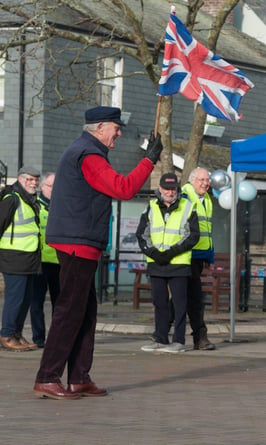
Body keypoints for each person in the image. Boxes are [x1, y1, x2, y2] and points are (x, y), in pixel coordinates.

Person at [34, 106, 163, 400]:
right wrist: (149, 159)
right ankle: (47, 376)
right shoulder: (88, 155)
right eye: (116, 128)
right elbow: (124, 188)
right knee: (69, 311)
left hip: (79, 241)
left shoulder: (84, 151)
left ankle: (79, 377)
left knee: (84, 311)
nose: (119, 133)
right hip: (77, 243)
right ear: (100, 127)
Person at [137, 173, 199, 353]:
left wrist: (171, 252)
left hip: (179, 263)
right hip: (157, 263)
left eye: (172, 189)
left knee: (180, 304)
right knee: (159, 303)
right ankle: (160, 339)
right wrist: (154, 253)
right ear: (160, 189)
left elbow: (192, 236)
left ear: (177, 189)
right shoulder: (150, 207)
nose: (170, 193)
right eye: (166, 189)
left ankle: (178, 341)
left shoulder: (188, 207)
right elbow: (142, 235)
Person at [0, 166, 42, 352]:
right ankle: (7, 334)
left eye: (35, 180)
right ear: (20, 179)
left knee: (25, 299)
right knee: (15, 299)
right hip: (13, 258)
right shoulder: (12, 199)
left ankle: (16, 334)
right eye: (29, 179)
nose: (33, 183)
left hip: (29, 258)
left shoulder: (30, 200)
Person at [181, 167, 216, 350]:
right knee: (193, 297)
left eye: (207, 180)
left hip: (198, 256)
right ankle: (199, 337)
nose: (205, 183)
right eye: (201, 180)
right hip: (186, 254)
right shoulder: (185, 197)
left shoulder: (207, 199)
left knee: (184, 295)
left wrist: (208, 256)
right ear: (192, 180)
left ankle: (161, 333)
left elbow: (207, 231)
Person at [31, 172, 60, 348]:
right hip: (39, 262)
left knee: (59, 304)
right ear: (42, 187)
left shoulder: (62, 206)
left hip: (58, 262)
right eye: (51, 186)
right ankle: (38, 338)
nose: (55, 190)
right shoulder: (35, 206)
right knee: (36, 303)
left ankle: (57, 338)